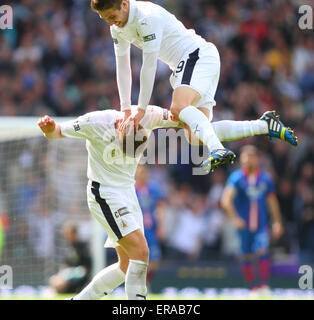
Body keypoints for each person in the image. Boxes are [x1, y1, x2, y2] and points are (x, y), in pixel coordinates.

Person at [38, 105, 296, 300]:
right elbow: (58, 133)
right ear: (118, 129)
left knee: (126, 265)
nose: (132, 156)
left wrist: (218, 126)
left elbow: (195, 122)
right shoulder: (95, 121)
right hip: (104, 192)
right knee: (142, 253)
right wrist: (50, 130)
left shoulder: (150, 115)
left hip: (126, 191)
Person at [89, 0, 297, 172]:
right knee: (194, 137)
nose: (111, 23)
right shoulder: (117, 29)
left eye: (112, 17)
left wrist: (141, 110)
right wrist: (126, 109)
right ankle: (264, 125)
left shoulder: (146, 18)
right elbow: (122, 66)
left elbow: (148, 66)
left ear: (124, 4)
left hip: (196, 56)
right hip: (191, 63)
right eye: (106, 19)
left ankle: (217, 149)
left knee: (178, 108)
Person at [221, 145, 284, 296]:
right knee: (246, 255)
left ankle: (263, 286)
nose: (249, 160)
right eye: (246, 157)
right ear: (241, 159)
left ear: (258, 159)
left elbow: (272, 201)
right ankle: (252, 289)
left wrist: (277, 222)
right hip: (244, 225)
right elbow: (226, 200)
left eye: (252, 156)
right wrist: (235, 218)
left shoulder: (265, 179)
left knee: (262, 250)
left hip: (261, 224)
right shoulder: (237, 178)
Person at [135, 164, 166, 285]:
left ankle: (144, 282)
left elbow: (160, 207)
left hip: (150, 228)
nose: (143, 174)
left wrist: (161, 226)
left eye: (145, 172)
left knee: (155, 260)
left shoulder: (153, 188)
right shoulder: (132, 189)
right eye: (140, 171)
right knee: (137, 258)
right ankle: (138, 285)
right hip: (137, 229)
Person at [49, 221, 91, 294]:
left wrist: (71, 274)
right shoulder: (68, 247)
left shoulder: (83, 247)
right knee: (53, 280)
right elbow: (65, 265)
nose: (65, 236)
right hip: (68, 275)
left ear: (74, 234)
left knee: (59, 285)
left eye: (67, 233)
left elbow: (86, 269)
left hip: (79, 279)